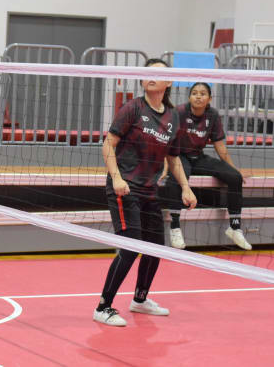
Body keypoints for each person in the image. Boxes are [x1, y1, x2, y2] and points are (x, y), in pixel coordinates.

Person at [93, 59, 197, 327]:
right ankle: (103, 306)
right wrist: (116, 178)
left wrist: (185, 187)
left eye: (157, 73)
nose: (151, 77)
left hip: (150, 191)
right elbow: (109, 143)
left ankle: (140, 299)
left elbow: (173, 158)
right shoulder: (133, 108)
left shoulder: (173, 117)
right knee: (130, 249)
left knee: (155, 249)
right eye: (147, 73)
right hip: (124, 188)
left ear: (169, 82)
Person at [163, 82, 252, 250]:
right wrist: (165, 165)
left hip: (199, 157)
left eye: (203, 93)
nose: (198, 96)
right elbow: (166, 141)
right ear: (189, 97)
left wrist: (233, 169)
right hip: (179, 155)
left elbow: (220, 146)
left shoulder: (212, 115)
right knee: (176, 178)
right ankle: (174, 226)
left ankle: (234, 227)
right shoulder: (179, 112)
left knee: (235, 177)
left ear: (209, 98)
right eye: (194, 93)